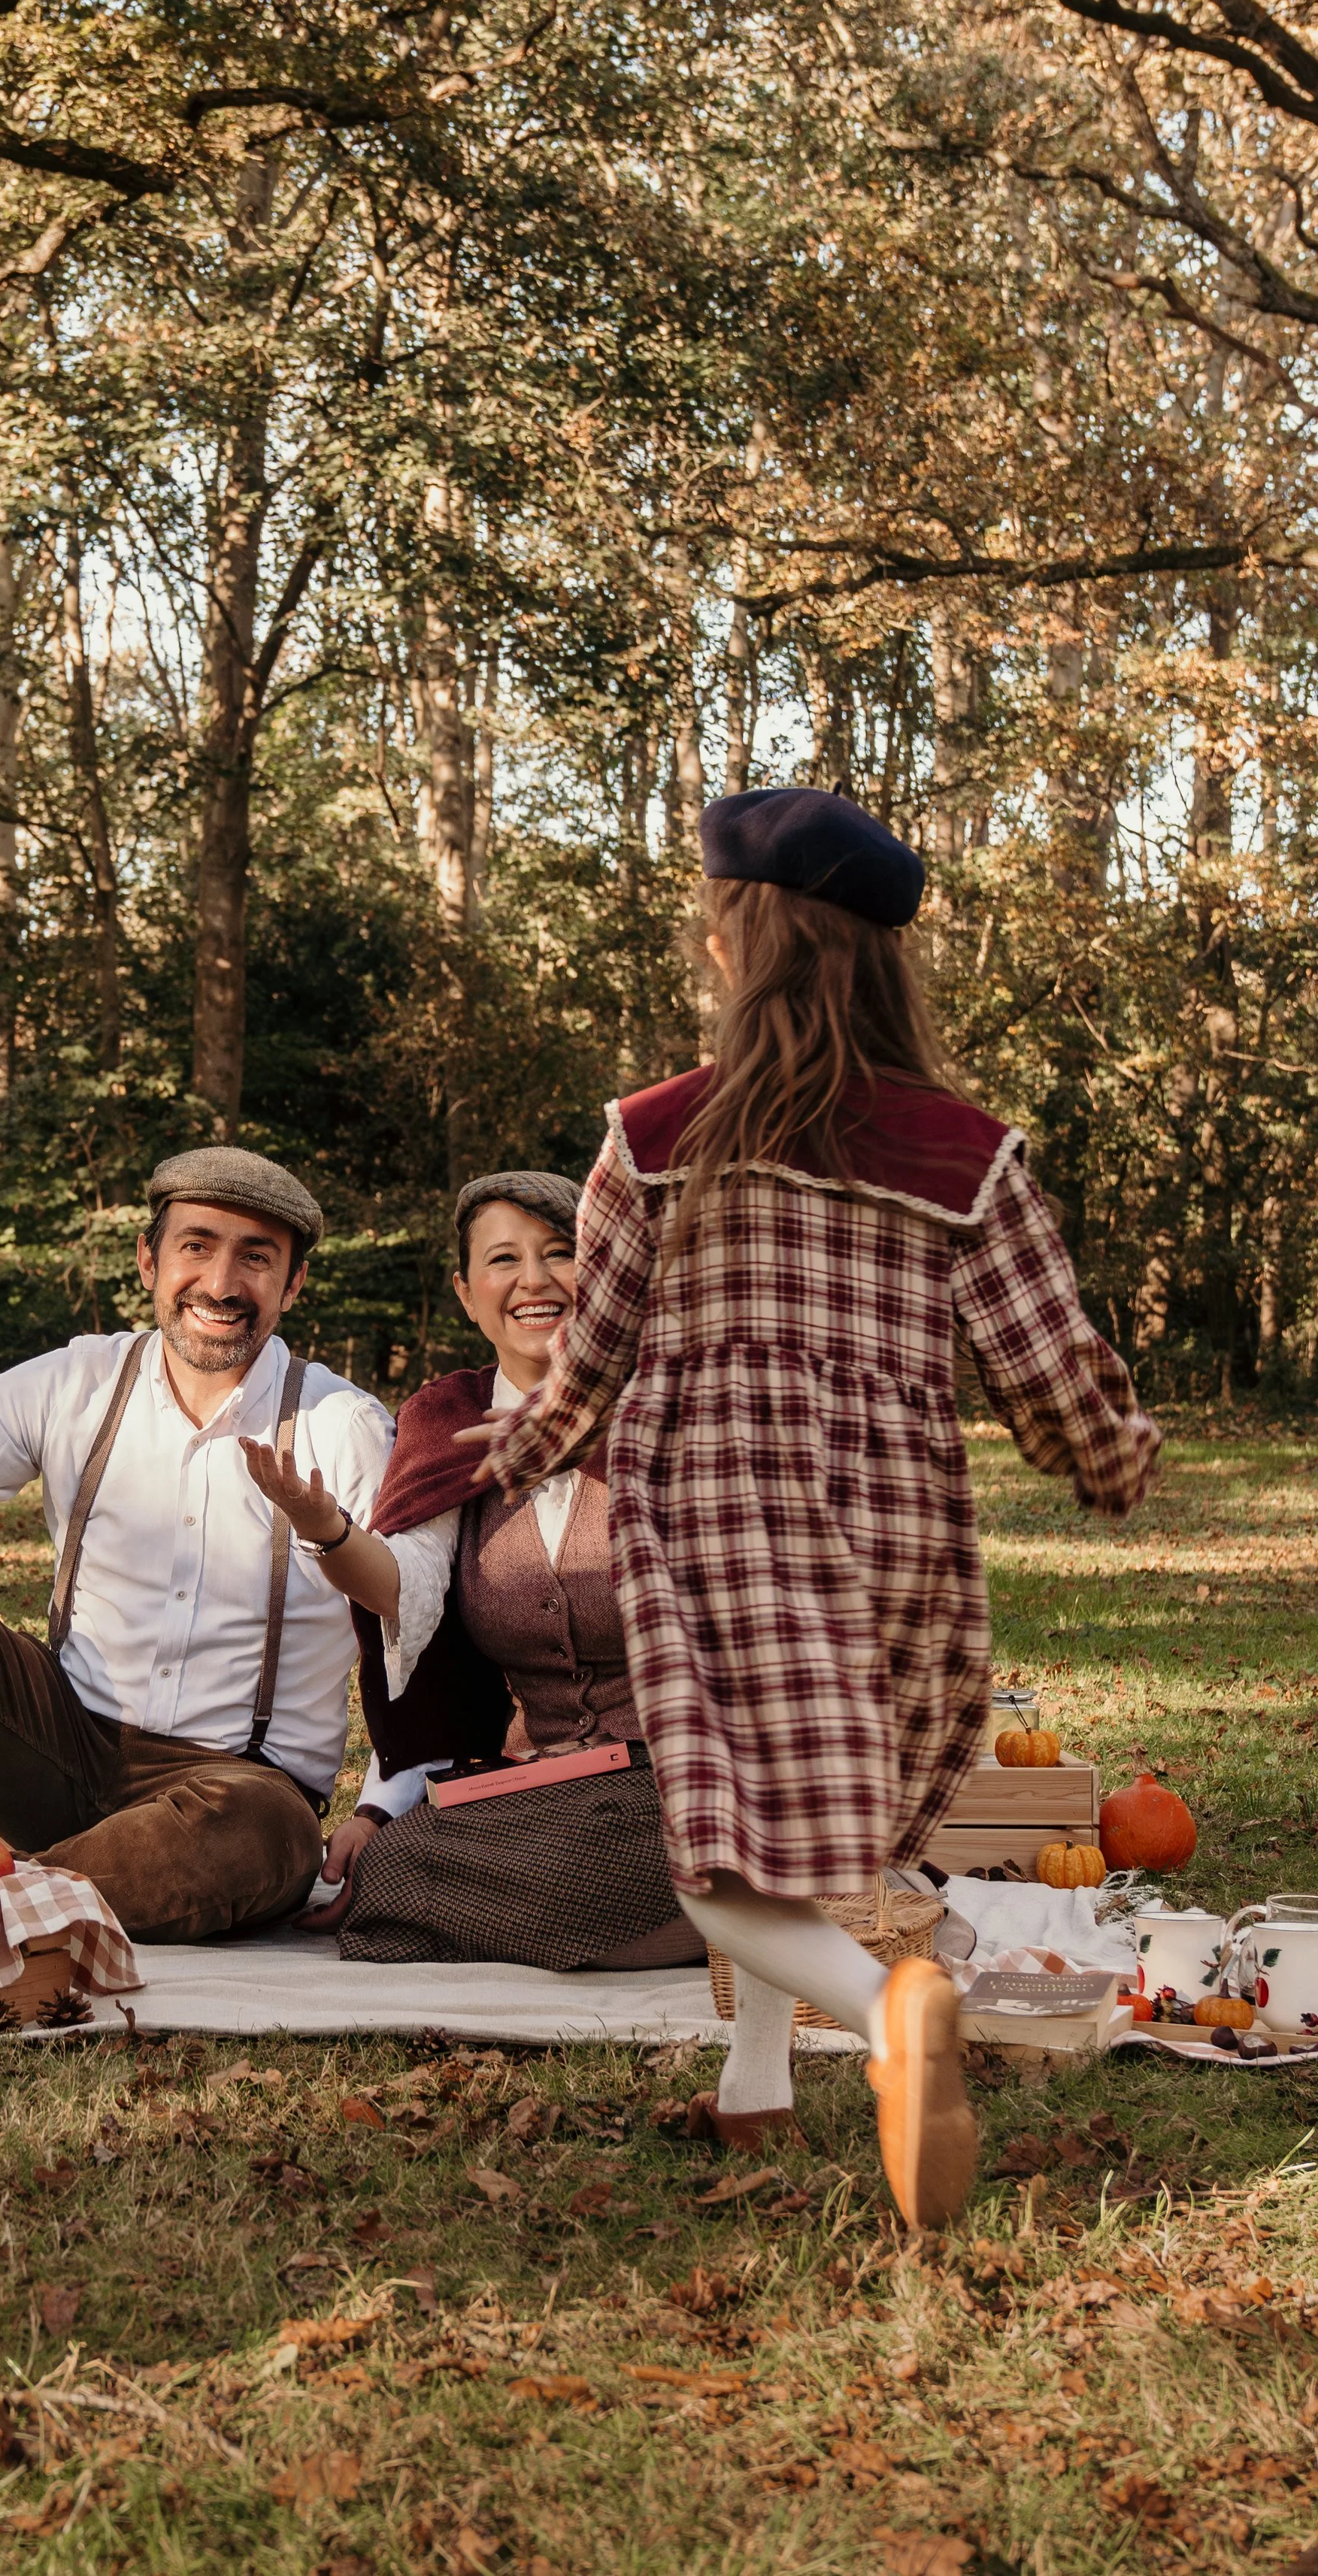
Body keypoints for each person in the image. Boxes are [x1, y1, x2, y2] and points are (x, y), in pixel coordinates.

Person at [477, 787, 1159, 2227]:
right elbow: (1052, 1378)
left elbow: (588, 1360)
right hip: (895, 1540)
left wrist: (497, 1457)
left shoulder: (658, 1138)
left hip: (717, 1523)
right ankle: (755, 2085)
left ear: (742, 942)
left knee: (721, 1845)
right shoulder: (964, 1154)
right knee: (821, 1829)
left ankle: (887, 2008)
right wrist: (1115, 1458)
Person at [0, 1151, 393, 1942]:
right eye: (196, 1246)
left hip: (235, 1785)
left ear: (293, 1284)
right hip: (60, 1741)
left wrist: (382, 1802)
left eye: (255, 1257)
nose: (219, 1283)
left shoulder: (339, 1425)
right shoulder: (73, 1383)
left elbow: (409, 1623)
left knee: (264, 1835)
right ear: (149, 1260)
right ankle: (30, 1892)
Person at [241, 1172, 701, 1972]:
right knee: (391, 1872)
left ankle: (710, 1915)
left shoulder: (675, 1408)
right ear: (465, 1291)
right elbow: (408, 1591)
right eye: (503, 1260)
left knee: (629, 1857)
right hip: (543, 1788)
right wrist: (327, 1531)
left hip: (693, 1776)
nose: (533, 1281)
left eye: (561, 1254)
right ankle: (690, 1929)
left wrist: (586, 1444)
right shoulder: (444, 1417)